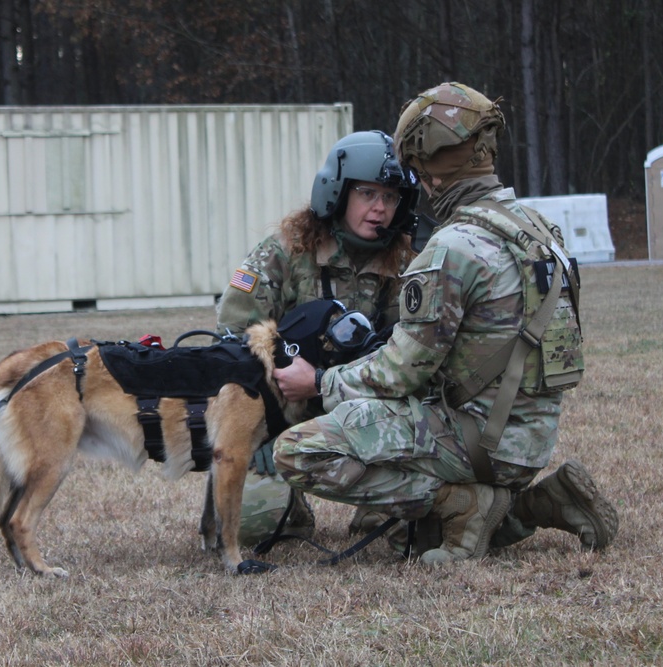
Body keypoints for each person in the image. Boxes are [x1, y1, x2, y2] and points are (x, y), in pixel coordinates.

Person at [271, 82, 618, 563]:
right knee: (407, 537)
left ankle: (466, 503)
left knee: (297, 451)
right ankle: (544, 502)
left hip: (480, 442)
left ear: (426, 168)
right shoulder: (539, 230)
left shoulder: (454, 248)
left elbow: (400, 372)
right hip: (530, 439)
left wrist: (321, 382)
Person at [215, 129, 421, 544]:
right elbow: (233, 337)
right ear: (339, 192)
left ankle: (376, 511)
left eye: (390, 197)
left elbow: (412, 353)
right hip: (282, 412)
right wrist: (251, 428)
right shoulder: (286, 250)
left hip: (363, 408)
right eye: (368, 194)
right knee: (257, 528)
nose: (380, 208)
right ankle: (286, 505)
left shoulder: (405, 263)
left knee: (404, 532)